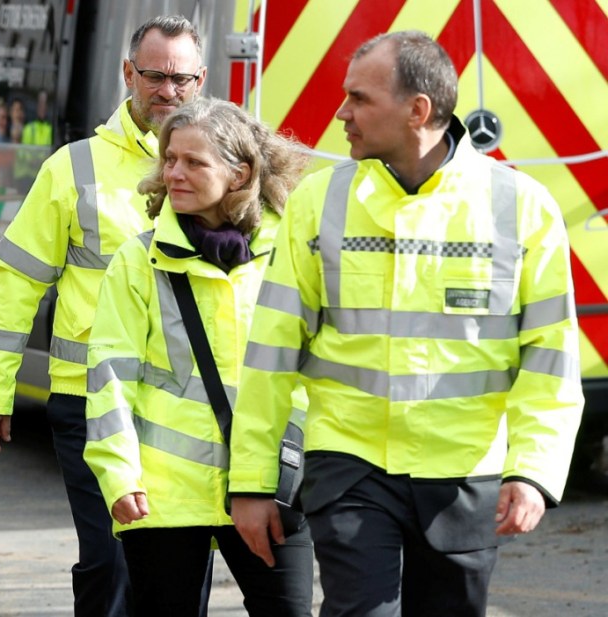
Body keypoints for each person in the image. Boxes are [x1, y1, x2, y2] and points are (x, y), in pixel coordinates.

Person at [226, 30, 584, 617]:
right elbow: (271, 351)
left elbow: (550, 355)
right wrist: (252, 481)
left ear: (418, 110)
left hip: (466, 471)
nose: (341, 112)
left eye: (360, 99)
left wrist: (534, 470)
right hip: (350, 465)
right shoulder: (319, 202)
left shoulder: (521, 207)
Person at [0, 15, 206, 617]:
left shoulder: (221, 166)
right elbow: (15, 280)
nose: (168, 91)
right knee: (110, 563)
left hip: (191, 409)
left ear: (200, 81)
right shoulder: (74, 168)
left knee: (180, 574)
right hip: (92, 400)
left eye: (181, 79)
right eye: (154, 75)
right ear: (128, 73)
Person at [84, 97, 313, 617]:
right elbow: (110, 373)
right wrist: (118, 474)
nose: (174, 173)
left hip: (268, 484)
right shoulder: (138, 259)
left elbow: (310, 368)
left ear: (240, 174)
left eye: (193, 162)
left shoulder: (291, 254)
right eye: (170, 159)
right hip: (165, 496)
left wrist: (306, 462)